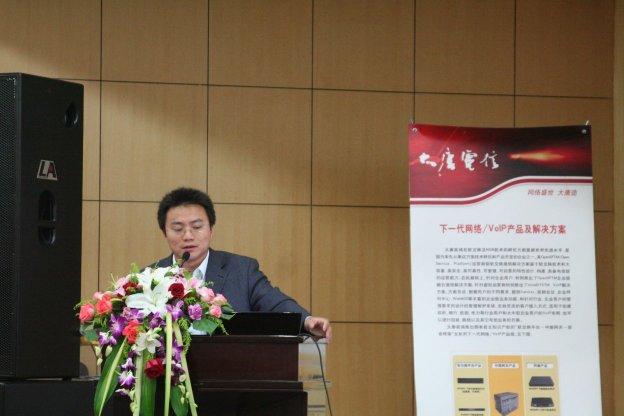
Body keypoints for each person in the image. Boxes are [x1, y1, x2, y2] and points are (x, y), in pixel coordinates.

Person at [152, 187, 332, 342]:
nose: (188, 236)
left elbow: (274, 301)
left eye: (197, 227)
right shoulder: (149, 278)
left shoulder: (241, 270)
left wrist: (306, 321)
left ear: (211, 229)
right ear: (164, 233)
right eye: (178, 229)